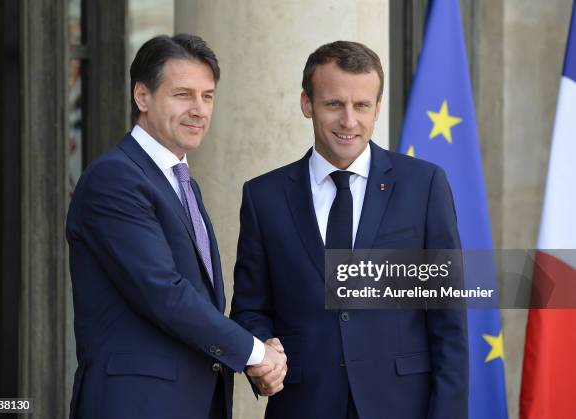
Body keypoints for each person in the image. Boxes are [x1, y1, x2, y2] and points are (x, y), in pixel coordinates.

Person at [231, 41, 468, 419]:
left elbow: (448, 319)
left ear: (377, 107)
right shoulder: (264, 196)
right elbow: (250, 307)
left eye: (362, 105)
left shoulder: (423, 186)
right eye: (333, 104)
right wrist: (261, 356)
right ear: (307, 104)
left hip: (401, 405)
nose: (349, 121)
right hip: (302, 405)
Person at [66, 34, 286, 419]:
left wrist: (255, 355)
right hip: (136, 405)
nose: (199, 109)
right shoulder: (115, 179)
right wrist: (254, 353)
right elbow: (163, 293)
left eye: (208, 96)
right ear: (142, 96)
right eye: (183, 94)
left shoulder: (178, 180)